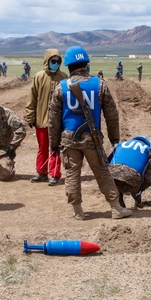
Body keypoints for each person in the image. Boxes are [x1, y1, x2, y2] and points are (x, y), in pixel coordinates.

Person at [49, 45, 131, 220]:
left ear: (68, 67)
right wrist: (114, 138)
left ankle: (78, 211)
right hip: (92, 140)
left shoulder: (60, 87)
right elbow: (111, 115)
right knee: (102, 172)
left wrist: (53, 144)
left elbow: (53, 121)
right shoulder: (100, 85)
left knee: (72, 174)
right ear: (86, 65)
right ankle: (116, 208)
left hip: (69, 141)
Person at [24, 48, 66, 186]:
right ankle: (41, 172)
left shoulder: (64, 78)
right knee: (42, 147)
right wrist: (30, 116)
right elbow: (32, 98)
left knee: (55, 147)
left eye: (58, 61)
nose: (55, 63)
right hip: (41, 120)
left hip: (58, 121)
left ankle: (54, 174)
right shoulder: (39, 76)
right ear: (47, 61)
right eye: (53, 61)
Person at [109, 135, 151, 209]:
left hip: (111, 176)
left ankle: (119, 204)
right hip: (131, 177)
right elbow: (150, 175)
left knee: (116, 179)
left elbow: (108, 160)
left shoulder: (120, 144)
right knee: (133, 181)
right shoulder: (148, 150)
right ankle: (138, 199)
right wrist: (140, 188)